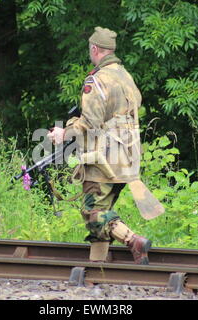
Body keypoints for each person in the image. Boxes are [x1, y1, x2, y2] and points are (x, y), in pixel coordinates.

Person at [47, 27, 152, 264]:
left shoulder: (96, 80)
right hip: (128, 156)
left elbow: (91, 123)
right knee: (100, 211)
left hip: (102, 159)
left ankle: (133, 240)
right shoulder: (124, 75)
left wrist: (65, 132)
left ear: (94, 49)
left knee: (93, 212)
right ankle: (97, 267)